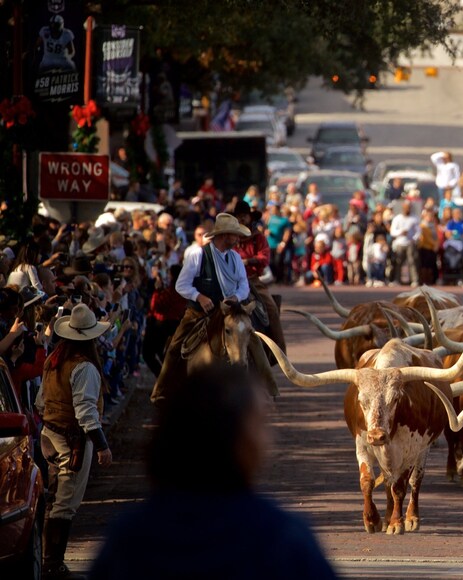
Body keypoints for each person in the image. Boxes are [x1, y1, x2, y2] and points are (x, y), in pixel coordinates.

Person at [89, 365, 336, 580]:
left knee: (261, 344)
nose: (270, 438)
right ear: (237, 437)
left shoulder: (127, 536)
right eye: (260, 424)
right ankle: (160, 385)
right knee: (175, 349)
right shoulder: (283, 537)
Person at [151, 214, 270, 404]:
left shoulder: (236, 258)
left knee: (252, 339)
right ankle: (160, 390)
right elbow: (181, 285)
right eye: (235, 235)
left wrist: (236, 297)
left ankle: (265, 387)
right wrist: (199, 296)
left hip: (229, 311)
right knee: (174, 346)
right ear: (224, 235)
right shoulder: (198, 255)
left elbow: (243, 285)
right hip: (198, 312)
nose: (238, 239)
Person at [37, 304, 114, 579]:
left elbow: (40, 401)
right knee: (65, 502)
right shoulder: (84, 367)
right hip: (71, 441)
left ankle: (49, 562)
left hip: (50, 435)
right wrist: (102, 445)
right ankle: (52, 565)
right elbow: (86, 412)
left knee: (57, 498)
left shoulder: (54, 359)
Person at [234, 205, 286, 353]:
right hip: (232, 282)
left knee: (271, 309)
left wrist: (248, 261)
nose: (241, 218)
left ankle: (278, 352)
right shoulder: (230, 236)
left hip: (253, 280)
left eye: (244, 215)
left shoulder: (258, 238)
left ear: (250, 217)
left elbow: (264, 257)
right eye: (238, 215)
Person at [389, 200, 420, 286]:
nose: (407, 209)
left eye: (408, 208)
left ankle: (414, 280)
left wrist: (414, 239)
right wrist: (401, 232)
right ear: (403, 208)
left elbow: (418, 232)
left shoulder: (414, 219)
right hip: (399, 243)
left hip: (410, 243)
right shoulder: (397, 218)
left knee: (412, 261)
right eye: (406, 208)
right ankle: (397, 280)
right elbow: (392, 232)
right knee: (398, 262)